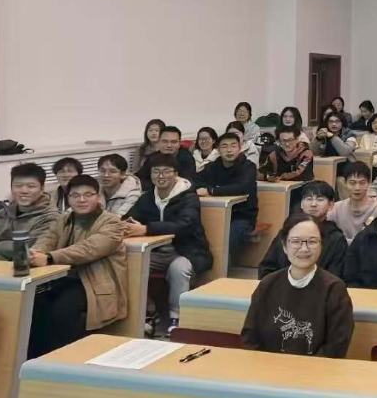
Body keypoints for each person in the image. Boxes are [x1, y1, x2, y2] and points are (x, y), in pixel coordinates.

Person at [27, 175, 128, 358]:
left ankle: (61, 360)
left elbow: (88, 249)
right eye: (75, 195)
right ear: (68, 198)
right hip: (61, 279)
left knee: (61, 311)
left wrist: (49, 258)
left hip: (94, 285)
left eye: (88, 195)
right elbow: (47, 239)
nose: (82, 200)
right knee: (32, 305)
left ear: (98, 197)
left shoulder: (112, 223)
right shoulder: (64, 220)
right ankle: (34, 361)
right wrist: (35, 253)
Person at [242, 213, 354, 358]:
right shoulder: (267, 284)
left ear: (321, 246)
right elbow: (250, 336)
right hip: (266, 368)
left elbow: (336, 345)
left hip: (317, 370)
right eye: (296, 241)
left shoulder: (334, 289)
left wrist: (302, 369)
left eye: (312, 242)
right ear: (284, 246)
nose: (304, 248)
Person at [124, 153, 212, 333]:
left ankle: (176, 317)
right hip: (154, 252)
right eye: (156, 172)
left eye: (166, 171)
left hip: (186, 251)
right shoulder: (147, 197)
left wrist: (147, 229)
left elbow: (185, 225)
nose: (161, 176)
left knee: (178, 269)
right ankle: (148, 311)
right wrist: (128, 224)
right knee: (128, 265)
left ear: (176, 174)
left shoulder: (188, 197)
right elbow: (130, 217)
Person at [258, 181, 348, 279]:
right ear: (301, 204)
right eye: (309, 199)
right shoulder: (288, 231)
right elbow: (267, 268)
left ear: (331, 205)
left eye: (320, 199)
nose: (313, 204)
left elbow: (335, 276)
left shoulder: (336, 238)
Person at [194, 132, 259, 260]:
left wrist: (212, 190)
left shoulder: (248, 166)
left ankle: (222, 266)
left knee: (230, 234)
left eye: (233, 146)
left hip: (241, 216)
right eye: (224, 146)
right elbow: (195, 181)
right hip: (215, 213)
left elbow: (243, 187)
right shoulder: (212, 166)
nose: (229, 150)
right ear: (218, 150)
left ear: (240, 148)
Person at [0, 163, 59, 260]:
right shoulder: (1, 215)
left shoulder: (52, 218)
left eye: (31, 186)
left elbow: (30, 252)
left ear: (42, 188)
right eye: (18, 186)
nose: (24, 191)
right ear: (11, 187)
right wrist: (2, 264)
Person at [325, 162, 377, 243]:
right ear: (345, 183)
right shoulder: (336, 208)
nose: (357, 188)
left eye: (362, 183)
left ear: (369, 183)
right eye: (352, 183)